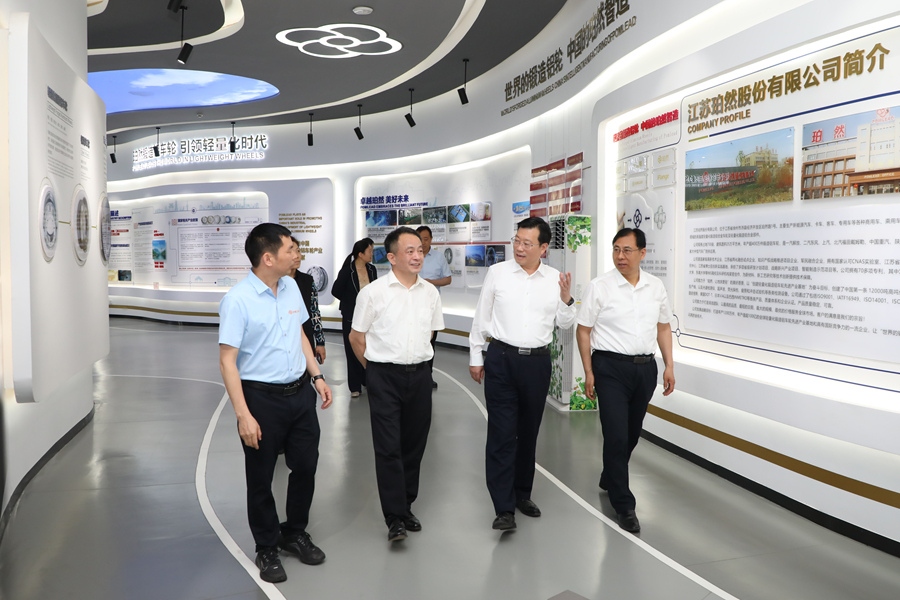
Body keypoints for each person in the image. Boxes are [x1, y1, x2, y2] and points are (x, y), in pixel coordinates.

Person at [218, 223, 333, 583]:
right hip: (261, 400)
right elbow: (227, 361)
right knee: (261, 477)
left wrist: (317, 376)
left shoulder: (291, 287)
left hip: (300, 394)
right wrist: (243, 415)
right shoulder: (237, 300)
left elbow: (300, 334)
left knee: (306, 466)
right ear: (268, 258)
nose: (297, 255)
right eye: (290, 249)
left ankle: (294, 532)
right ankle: (266, 546)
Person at [469, 217, 574, 531]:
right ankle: (503, 508)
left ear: (543, 248)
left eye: (527, 243)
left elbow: (566, 323)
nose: (519, 247)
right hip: (502, 359)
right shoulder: (498, 273)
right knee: (501, 434)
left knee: (528, 432)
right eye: (517, 240)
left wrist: (567, 300)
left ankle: (522, 494)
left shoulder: (555, 279)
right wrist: (476, 356)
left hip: (537, 364)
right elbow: (481, 316)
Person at [575, 227, 675, 534]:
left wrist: (669, 365)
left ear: (642, 253)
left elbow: (663, 327)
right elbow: (583, 330)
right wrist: (589, 371)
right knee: (616, 435)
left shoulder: (655, 287)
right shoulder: (600, 286)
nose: (620, 256)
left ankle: (610, 474)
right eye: (616, 249)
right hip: (609, 368)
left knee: (631, 433)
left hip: (644, 369)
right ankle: (624, 505)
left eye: (627, 250)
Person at [348, 227, 444, 542]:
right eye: (410, 251)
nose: (417, 256)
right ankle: (394, 517)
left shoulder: (430, 292)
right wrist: (375, 371)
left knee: (414, 445)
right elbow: (356, 337)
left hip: (420, 375)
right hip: (384, 376)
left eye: (420, 250)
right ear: (391, 257)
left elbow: (431, 333)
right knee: (388, 447)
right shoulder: (373, 293)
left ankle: (406, 505)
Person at [331, 238, 377, 397]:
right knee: (352, 351)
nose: (372, 254)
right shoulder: (347, 271)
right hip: (351, 315)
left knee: (368, 348)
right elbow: (336, 291)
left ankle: (367, 380)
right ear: (360, 254)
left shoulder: (372, 269)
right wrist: (350, 301)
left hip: (369, 316)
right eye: (370, 251)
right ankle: (355, 386)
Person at [415, 225, 451, 388]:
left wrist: (431, 282)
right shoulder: (410, 255)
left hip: (431, 306)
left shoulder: (438, 257)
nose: (423, 242)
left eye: (426, 239)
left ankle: (427, 376)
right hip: (411, 304)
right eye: (420, 239)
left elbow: (448, 279)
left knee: (430, 342)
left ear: (431, 240)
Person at [290, 237, 326, 365]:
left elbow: (314, 311)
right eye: (291, 251)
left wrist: (320, 342)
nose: (297, 256)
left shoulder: (307, 280)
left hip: (306, 335)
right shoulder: (275, 282)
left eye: (298, 251)